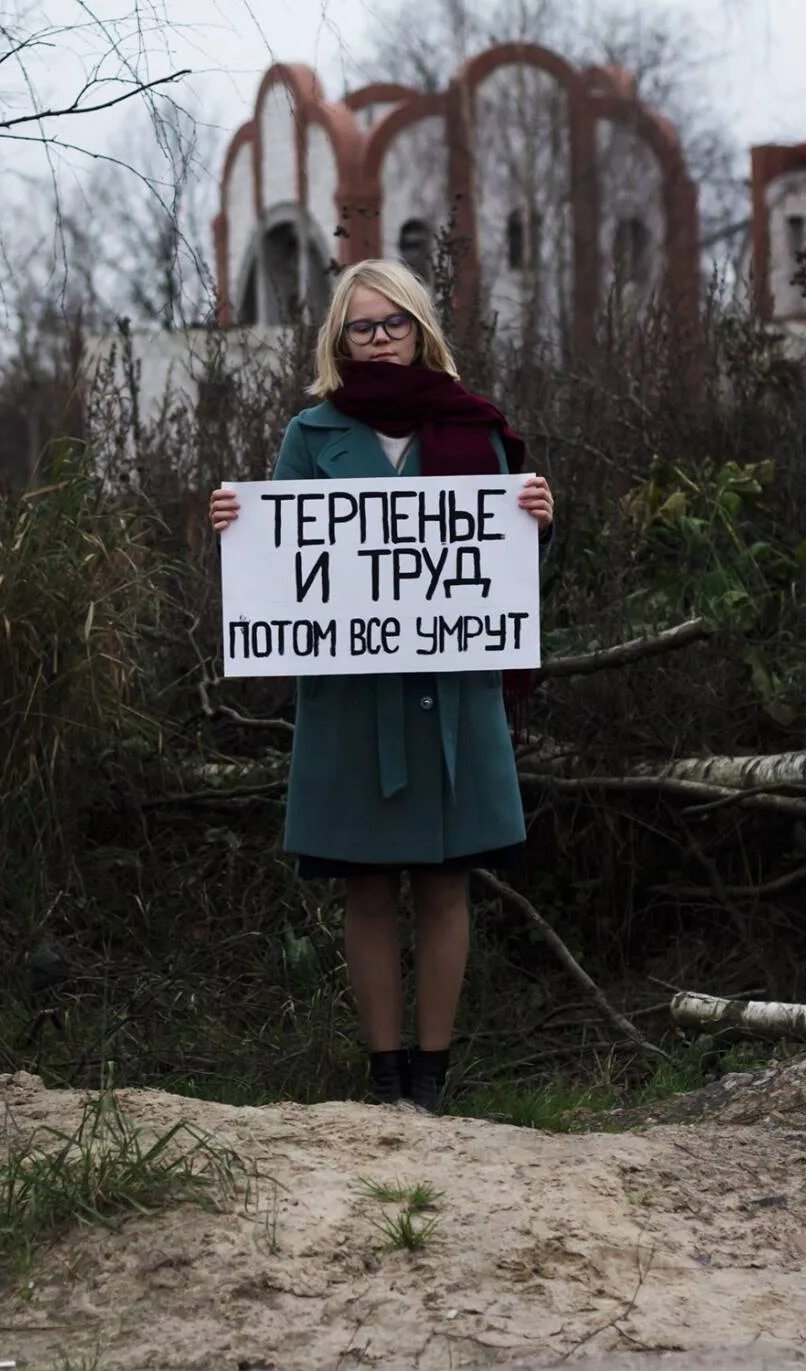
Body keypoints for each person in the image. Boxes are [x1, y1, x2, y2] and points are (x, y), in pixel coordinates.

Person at [209, 259, 554, 1113]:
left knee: (446, 885)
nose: (379, 340)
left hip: (452, 696)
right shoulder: (308, 433)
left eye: (392, 323)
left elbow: (501, 577)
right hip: (353, 700)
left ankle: (432, 1084)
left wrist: (536, 522)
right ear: (340, 338)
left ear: (420, 328)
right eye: (362, 327)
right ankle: (384, 1079)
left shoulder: (479, 431)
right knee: (365, 887)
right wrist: (233, 528)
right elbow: (281, 568)